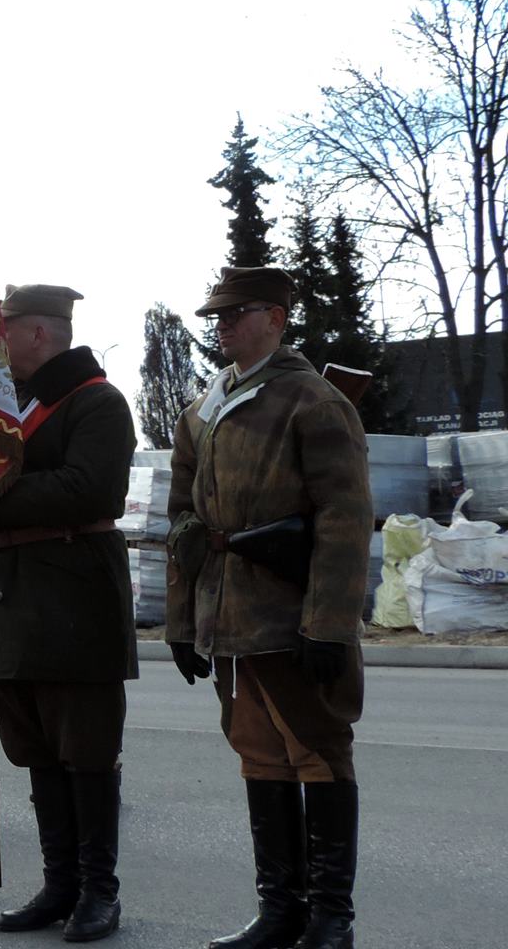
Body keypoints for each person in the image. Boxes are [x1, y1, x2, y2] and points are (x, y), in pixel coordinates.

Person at [166, 266, 371, 949]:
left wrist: (329, 624)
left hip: (290, 614)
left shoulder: (312, 400)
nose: (222, 325)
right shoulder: (204, 407)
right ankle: (280, 910)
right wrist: (180, 621)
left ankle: (331, 919)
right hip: (228, 616)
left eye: (238, 312)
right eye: (216, 315)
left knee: (318, 752)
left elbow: (344, 519)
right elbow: (182, 521)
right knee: (260, 756)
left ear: (277, 318)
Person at [0, 284, 136, 941]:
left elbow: (90, 489)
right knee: (38, 752)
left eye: (4, 330)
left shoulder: (97, 401)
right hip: (11, 599)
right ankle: (60, 886)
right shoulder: (7, 407)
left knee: (86, 751)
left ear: (38, 333)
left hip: (76, 598)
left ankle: (99, 891)